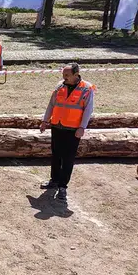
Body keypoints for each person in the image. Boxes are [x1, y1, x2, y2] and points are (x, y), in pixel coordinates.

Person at [39, 63, 96, 202]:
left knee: (68, 158)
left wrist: (82, 127)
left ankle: (63, 186)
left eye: (67, 75)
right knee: (56, 155)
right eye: (63, 75)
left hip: (73, 129)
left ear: (76, 75)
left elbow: (88, 110)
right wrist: (45, 121)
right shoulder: (60, 86)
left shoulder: (87, 89)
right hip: (57, 126)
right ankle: (54, 180)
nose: (64, 78)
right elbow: (51, 104)